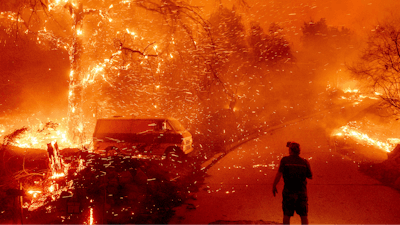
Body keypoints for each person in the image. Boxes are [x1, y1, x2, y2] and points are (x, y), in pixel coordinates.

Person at [272, 142, 313, 225]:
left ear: (290, 150)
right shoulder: (304, 162)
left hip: (288, 192)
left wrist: (274, 185)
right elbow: (310, 176)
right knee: (303, 215)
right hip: (301, 192)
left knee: (287, 214)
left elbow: (279, 174)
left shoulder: (285, 160)